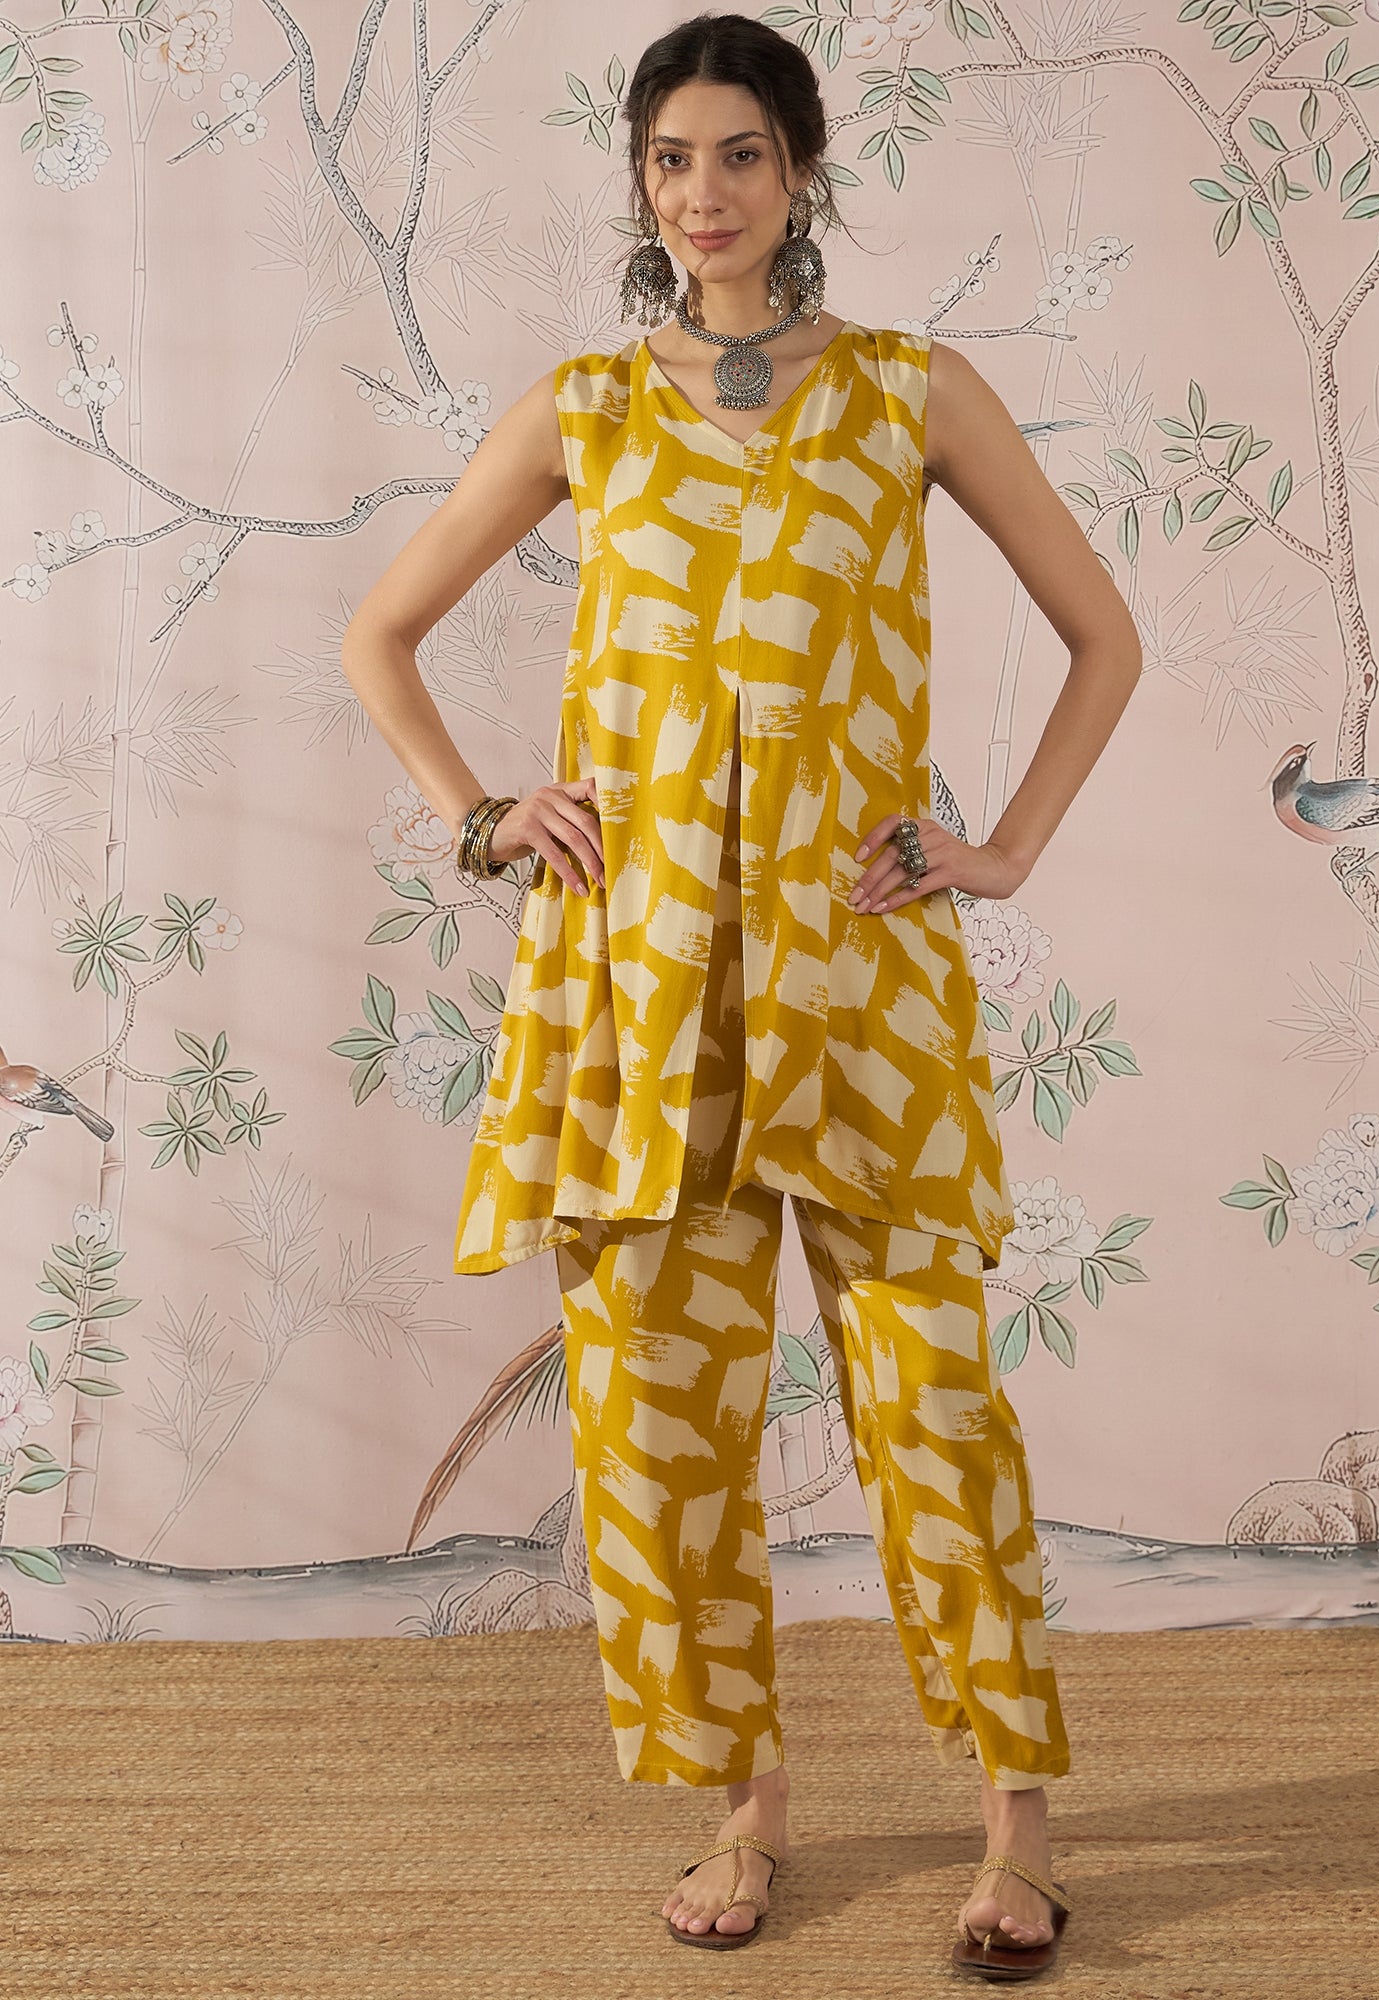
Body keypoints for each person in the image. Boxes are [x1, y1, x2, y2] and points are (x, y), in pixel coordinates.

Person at [342, 11, 1141, 1979]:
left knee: (935, 1406)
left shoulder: (908, 390)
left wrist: (1003, 849)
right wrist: (484, 815)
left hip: (860, 979)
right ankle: (745, 1804)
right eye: (671, 159)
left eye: (741, 156)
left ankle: (1018, 1830)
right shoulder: (588, 409)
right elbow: (382, 632)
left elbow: (1102, 635)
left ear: (801, 171)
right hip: (640, 986)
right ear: (642, 182)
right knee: (660, 1423)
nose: (703, 195)